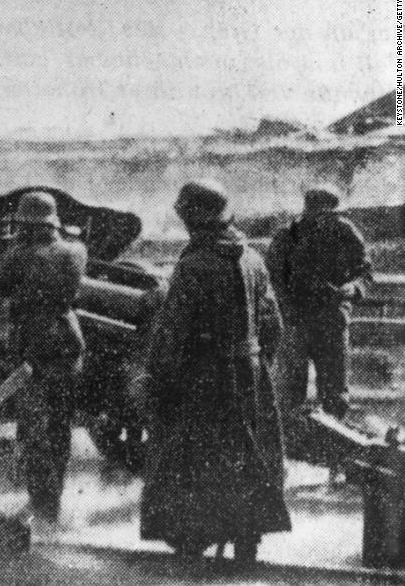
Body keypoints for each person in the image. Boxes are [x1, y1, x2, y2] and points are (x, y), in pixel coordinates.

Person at [141, 179, 291, 565]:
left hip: (205, 378)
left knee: (195, 457)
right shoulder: (254, 259)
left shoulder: (194, 265)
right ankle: (247, 538)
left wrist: (158, 377)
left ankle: (194, 541)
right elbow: (273, 324)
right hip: (251, 374)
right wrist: (257, 364)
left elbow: (173, 330)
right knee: (249, 456)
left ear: (192, 218)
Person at [0, 192, 87, 528]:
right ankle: (53, 502)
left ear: (27, 225)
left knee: (33, 429)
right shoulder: (77, 251)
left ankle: (41, 506)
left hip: (33, 343)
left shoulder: (18, 256)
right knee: (60, 427)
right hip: (68, 338)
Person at [265, 183, 372, 418]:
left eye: (331, 213)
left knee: (335, 393)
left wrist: (351, 288)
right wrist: (287, 311)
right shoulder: (286, 235)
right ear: (308, 209)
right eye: (319, 212)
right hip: (296, 321)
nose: (326, 218)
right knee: (290, 394)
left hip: (332, 319)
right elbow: (273, 278)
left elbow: (364, 272)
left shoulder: (346, 232)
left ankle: (335, 444)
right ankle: (292, 444)